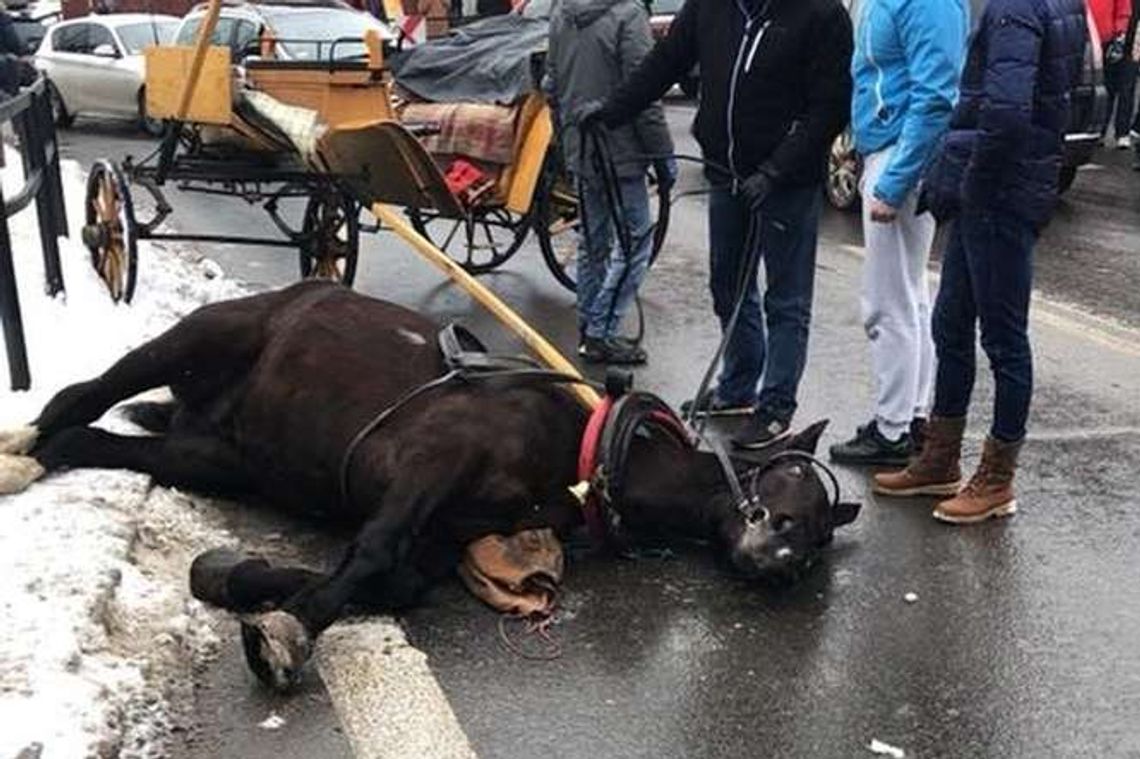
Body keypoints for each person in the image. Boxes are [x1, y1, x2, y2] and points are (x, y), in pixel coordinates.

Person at [583, 0, 852, 446]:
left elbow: (830, 106)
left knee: (785, 299)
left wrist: (777, 169)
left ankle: (775, 408)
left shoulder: (820, 14)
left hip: (785, 182)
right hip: (725, 173)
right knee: (726, 284)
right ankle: (739, 385)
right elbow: (666, 62)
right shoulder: (711, 7)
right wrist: (613, 110)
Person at [874, 0, 1087, 523]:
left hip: (998, 195)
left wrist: (970, 185)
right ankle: (940, 458)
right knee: (950, 323)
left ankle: (996, 478)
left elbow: (1007, 114)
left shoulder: (1016, 8)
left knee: (1003, 338)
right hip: (1006, 187)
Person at [827, 0, 968, 466]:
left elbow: (935, 97)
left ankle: (893, 429)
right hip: (890, 151)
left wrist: (892, 181)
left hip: (901, 156)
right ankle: (909, 416)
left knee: (888, 301)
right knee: (908, 295)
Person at [547, 0, 675, 365]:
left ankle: (589, 325)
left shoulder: (561, 14)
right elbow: (645, 94)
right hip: (621, 151)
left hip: (582, 146)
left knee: (593, 241)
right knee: (636, 241)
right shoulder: (629, 16)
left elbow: (552, 87)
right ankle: (602, 329)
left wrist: (567, 142)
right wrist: (662, 156)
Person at [1091, 0, 1138, 147]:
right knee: (1106, 87)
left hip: (1128, 40)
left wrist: (1120, 35)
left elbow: (1124, 11)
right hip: (1104, 40)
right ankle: (1101, 129)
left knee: (1126, 88)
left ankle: (1122, 132)